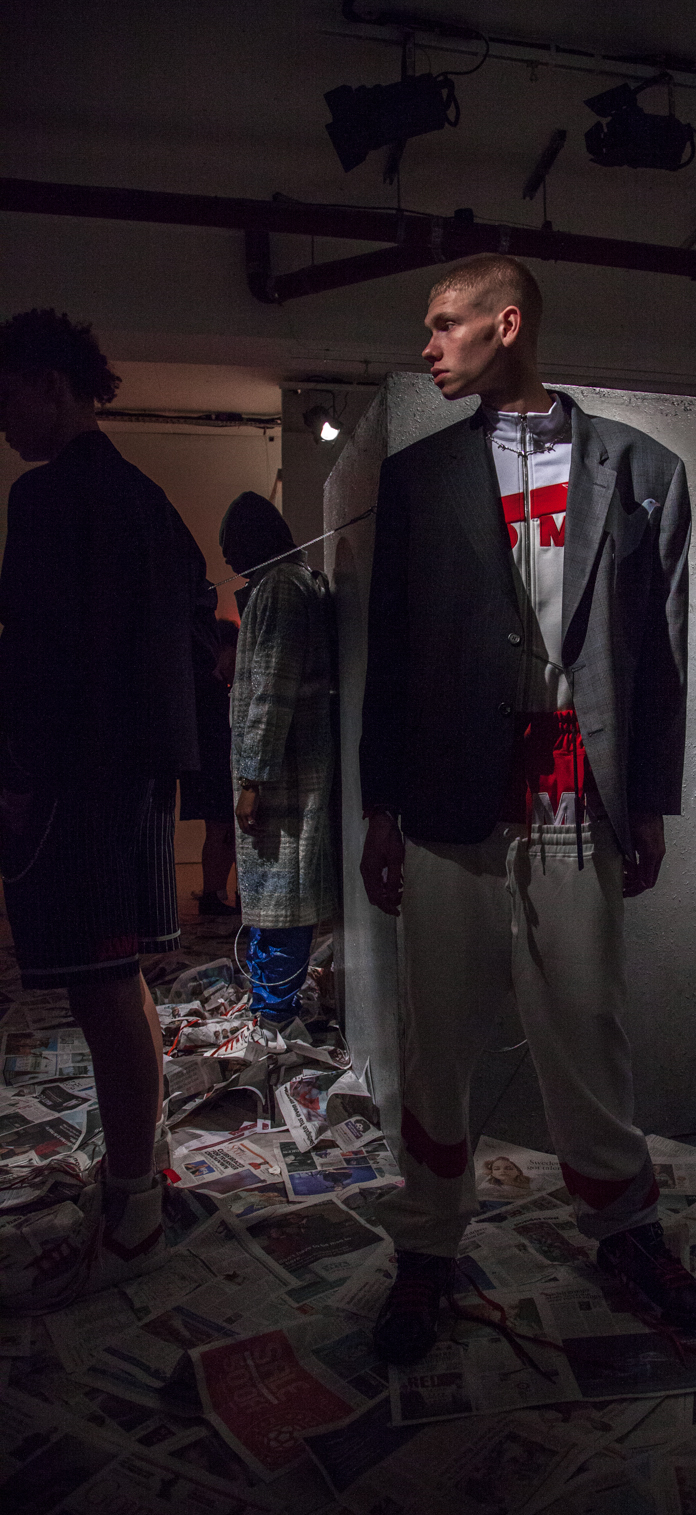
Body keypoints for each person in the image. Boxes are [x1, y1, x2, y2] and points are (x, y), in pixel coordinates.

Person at [359, 253, 696, 1364]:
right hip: (450, 796)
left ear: (505, 324)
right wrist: (380, 805)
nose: (428, 346)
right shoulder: (420, 477)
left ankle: (624, 1230)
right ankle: (427, 1244)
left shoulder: (644, 470)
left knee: (587, 1030)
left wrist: (648, 801)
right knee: (438, 1042)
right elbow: (392, 654)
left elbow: (660, 657)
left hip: (575, 792)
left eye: (445, 323)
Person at [0, 309, 203, 1308]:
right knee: (119, 984)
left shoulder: (47, 496)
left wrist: (16, 779)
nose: (4, 425)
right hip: (135, 782)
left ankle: (134, 1211)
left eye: (6, 400)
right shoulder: (145, 496)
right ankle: (140, 1172)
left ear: (48, 383)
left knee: (100, 991)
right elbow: (191, 613)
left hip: (74, 781)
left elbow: (36, 654)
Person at [217, 492, 337, 1046]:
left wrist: (253, 780)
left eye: (232, 549)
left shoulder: (281, 587)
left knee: (281, 898)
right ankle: (272, 1005)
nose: (230, 562)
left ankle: (274, 1013)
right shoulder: (292, 582)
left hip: (283, 776)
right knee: (278, 895)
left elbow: (272, 689)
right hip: (287, 770)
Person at [180, 606, 239, 917]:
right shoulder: (212, 689)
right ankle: (214, 894)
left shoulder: (200, 684)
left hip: (206, 765)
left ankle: (214, 893)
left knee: (219, 828)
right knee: (222, 828)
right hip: (215, 766)